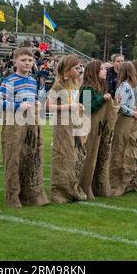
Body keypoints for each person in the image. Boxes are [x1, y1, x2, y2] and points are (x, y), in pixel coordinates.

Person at [0, 48, 50, 208]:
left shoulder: (34, 81)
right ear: (15, 62)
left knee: (31, 157)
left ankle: (30, 194)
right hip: (14, 125)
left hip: (30, 124)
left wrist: (36, 104)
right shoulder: (9, 81)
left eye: (29, 60)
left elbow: (34, 101)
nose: (27, 63)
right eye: (23, 60)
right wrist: (18, 105)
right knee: (14, 159)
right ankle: (13, 196)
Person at [46, 55, 87, 204]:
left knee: (73, 156)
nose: (79, 70)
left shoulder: (75, 84)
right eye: (76, 68)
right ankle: (60, 191)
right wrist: (69, 107)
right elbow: (48, 106)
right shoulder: (58, 85)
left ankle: (71, 188)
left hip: (73, 122)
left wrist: (79, 106)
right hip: (62, 124)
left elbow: (73, 102)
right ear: (67, 70)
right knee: (63, 155)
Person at [79, 60, 117, 199]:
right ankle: (84, 186)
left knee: (98, 155)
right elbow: (88, 108)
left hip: (98, 127)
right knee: (89, 156)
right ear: (94, 72)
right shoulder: (87, 88)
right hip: (89, 127)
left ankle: (95, 186)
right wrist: (103, 99)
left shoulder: (99, 87)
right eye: (101, 69)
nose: (105, 71)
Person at [106, 62, 137, 197]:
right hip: (124, 122)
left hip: (125, 121)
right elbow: (120, 106)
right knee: (122, 150)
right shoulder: (126, 86)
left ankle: (125, 181)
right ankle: (118, 181)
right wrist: (133, 113)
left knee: (124, 149)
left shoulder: (123, 86)